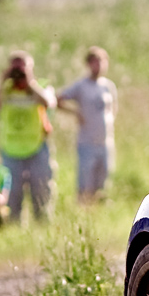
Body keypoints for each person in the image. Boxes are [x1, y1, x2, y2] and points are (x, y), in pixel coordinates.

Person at [0, 51, 56, 224]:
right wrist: (4, 81)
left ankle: (43, 226)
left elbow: (48, 102)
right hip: (11, 149)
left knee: (41, 191)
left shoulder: (40, 86)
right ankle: (14, 228)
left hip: (37, 147)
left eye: (22, 67)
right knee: (13, 194)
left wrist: (29, 82)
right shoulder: (6, 89)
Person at [57, 46, 118, 202]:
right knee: (85, 182)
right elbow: (59, 99)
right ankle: (83, 209)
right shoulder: (81, 85)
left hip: (105, 141)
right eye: (94, 62)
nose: (98, 66)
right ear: (88, 64)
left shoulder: (108, 86)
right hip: (87, 142)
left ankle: (98, 209)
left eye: (101, 62)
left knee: (103, 180)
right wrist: (75, 112)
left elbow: (113, 108)